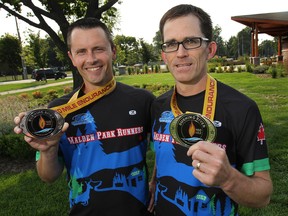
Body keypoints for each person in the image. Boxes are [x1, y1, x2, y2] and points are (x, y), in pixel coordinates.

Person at [14, 17, 155, 216]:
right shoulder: (58, 110)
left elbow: (165, 147)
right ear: (71, 57)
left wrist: (156, 179)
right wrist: (48, 150)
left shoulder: (143, 101)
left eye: (98, 49)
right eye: (81, 51)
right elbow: (48, 177)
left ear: (113, 51)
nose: (91, 59)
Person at [149, 4, 273, 216]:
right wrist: (154, 182)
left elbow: (263, 195)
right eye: (171, 44)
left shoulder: (242, 109)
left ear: (211, 50)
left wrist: (228, 179)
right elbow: (163, 156)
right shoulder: (159, 106)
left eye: (191, 41)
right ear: (164, 55)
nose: (180, 53)